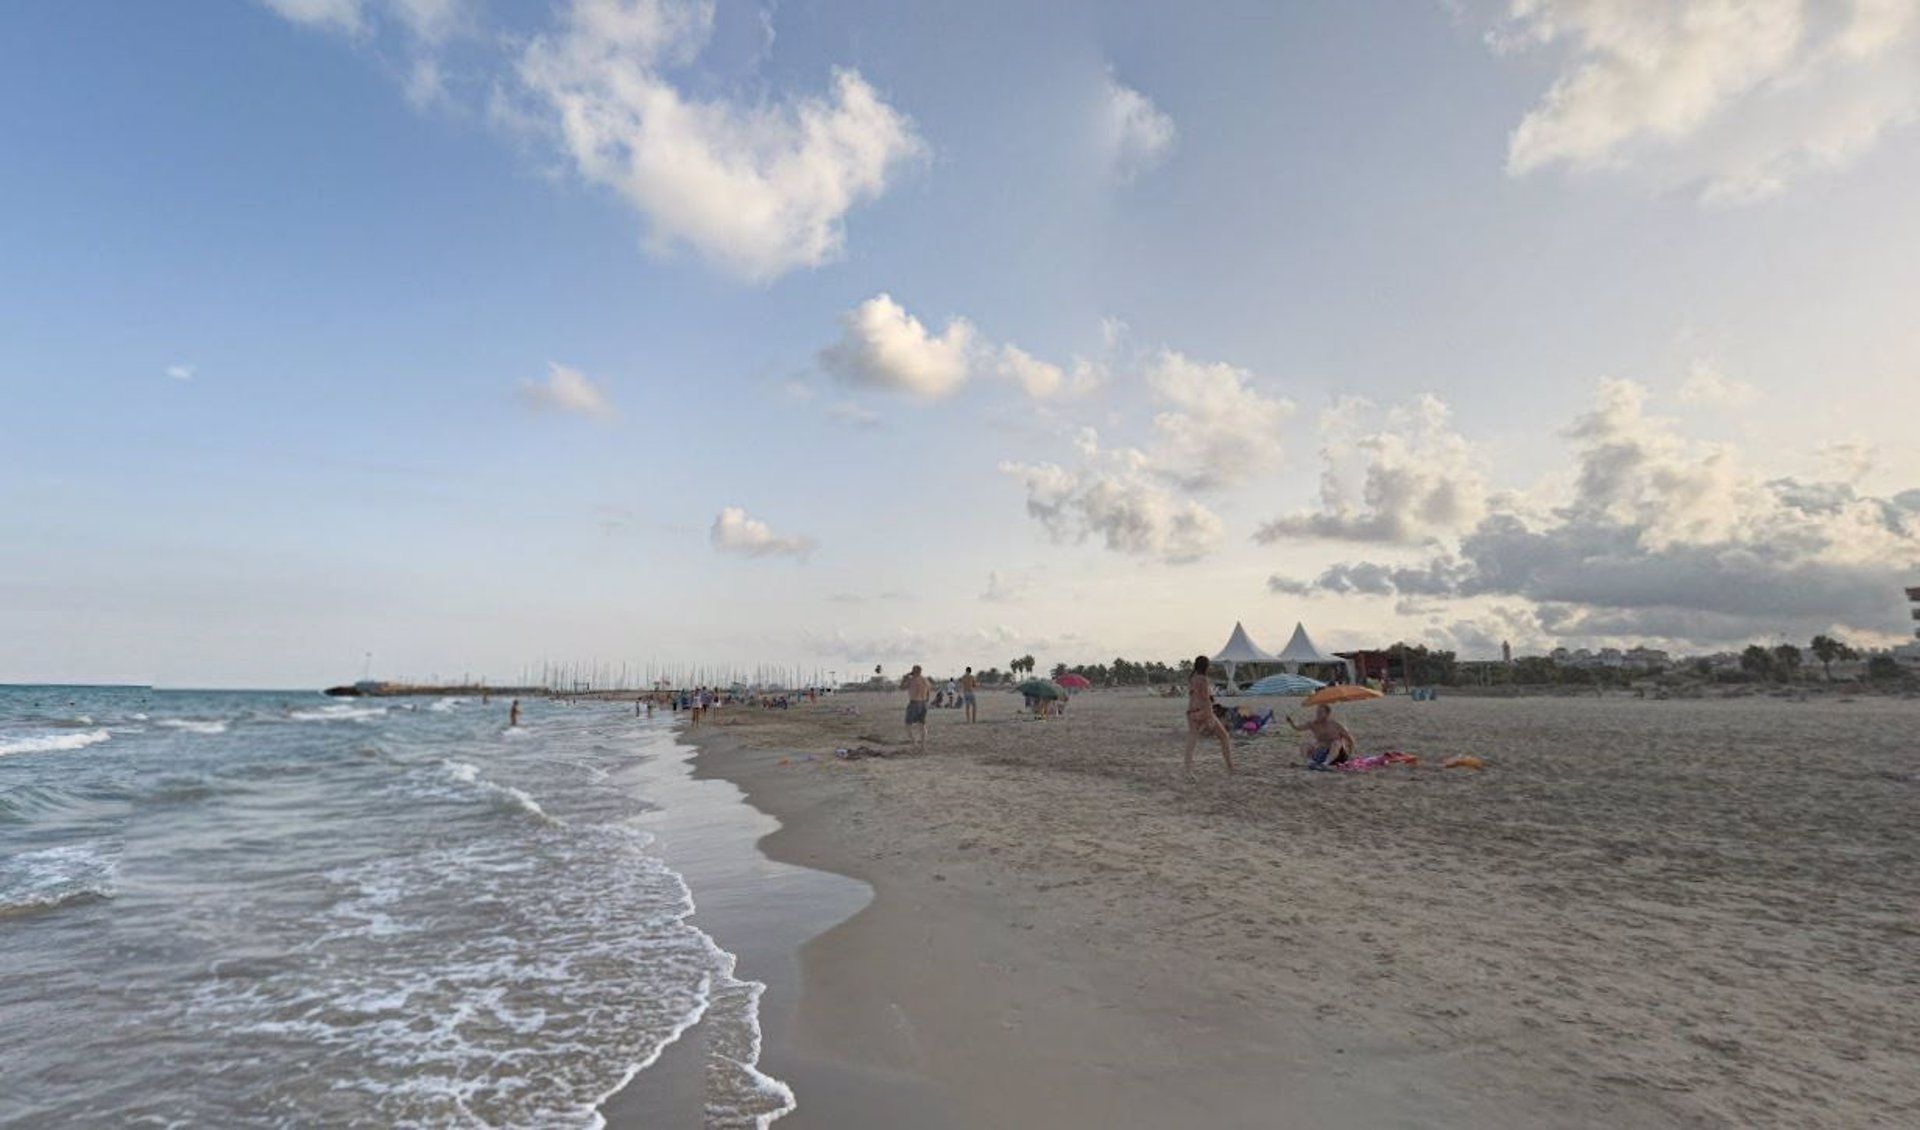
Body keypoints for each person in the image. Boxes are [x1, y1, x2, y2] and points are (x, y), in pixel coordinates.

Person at [1183, 656, 1234, 775]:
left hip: (1192, 712)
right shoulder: (1203, 679)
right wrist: (1209, 715)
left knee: (1191, 742)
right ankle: (1230, 766)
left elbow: (1196, 695)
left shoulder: (1192, 678)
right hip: (1204, 711)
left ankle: (1188, 770)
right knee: (1224, 737)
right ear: (1205, 666)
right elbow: (1205, 699)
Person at [1286, 704, 1354, 770]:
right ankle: (1309, 762)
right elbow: (1298, 728)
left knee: (1336, 743)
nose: (1318, 714)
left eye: (1321, 712)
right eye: (1317, 712)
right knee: (1305, 745)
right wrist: (1291, 722)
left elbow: (1350, 739)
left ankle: (1326, 763)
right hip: (1322, 752)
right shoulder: (1313, 724)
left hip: (1338, 755)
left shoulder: (1335, 724)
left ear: (1327, 714)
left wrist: (1350, 754)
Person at [903, 664, 932, 751]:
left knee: (908, 725)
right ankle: (923, 746)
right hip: (923, 703)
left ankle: (915, 744)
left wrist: (905, 677)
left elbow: (902, 687)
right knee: (922, 725)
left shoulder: (911, 680)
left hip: (914, 703)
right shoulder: (926, 680)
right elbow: (928, 693)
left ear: (914, 671)